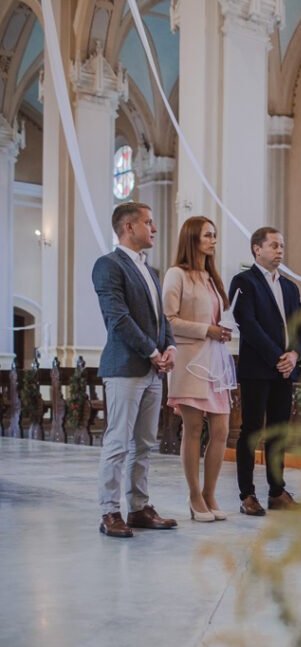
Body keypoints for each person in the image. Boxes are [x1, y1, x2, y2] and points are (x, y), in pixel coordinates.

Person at [93, 202, 178, 538]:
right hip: (125, 367)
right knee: (118, 442)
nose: (154, 228)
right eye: (148, 222)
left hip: (153, 370)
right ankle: (109, 511)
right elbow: (118, 318)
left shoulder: (150, 270)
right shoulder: (108, 265)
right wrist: (153, 351)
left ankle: (139, 507)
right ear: (128, 227)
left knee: (144, 444)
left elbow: (161, 319)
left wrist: (169, 347)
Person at [228, 226, 301, 516]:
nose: (280, 251)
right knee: (251, 431)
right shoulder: (243, 281)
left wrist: (295, 354)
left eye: (282, 246)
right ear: (257, 249)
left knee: (278, 432)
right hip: (257, 368)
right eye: (274, 245)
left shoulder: (289, 287)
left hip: (285, 370)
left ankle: (277, 491)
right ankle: (247, 495)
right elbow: (247, 324)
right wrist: (278, 357)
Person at [162, 217, 235, 522]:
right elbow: (169, 320)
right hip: (190, 359)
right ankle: (194, 496)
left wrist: (223, 329)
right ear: (192, 238)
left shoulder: (212, 277)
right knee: (193, 429)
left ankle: (210, 493)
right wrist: (207, 330)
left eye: (214, 235)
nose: (213, 240)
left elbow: (216, 318)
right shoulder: (176, 274)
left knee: (221, 430)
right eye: (207, 235)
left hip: (215, 361)